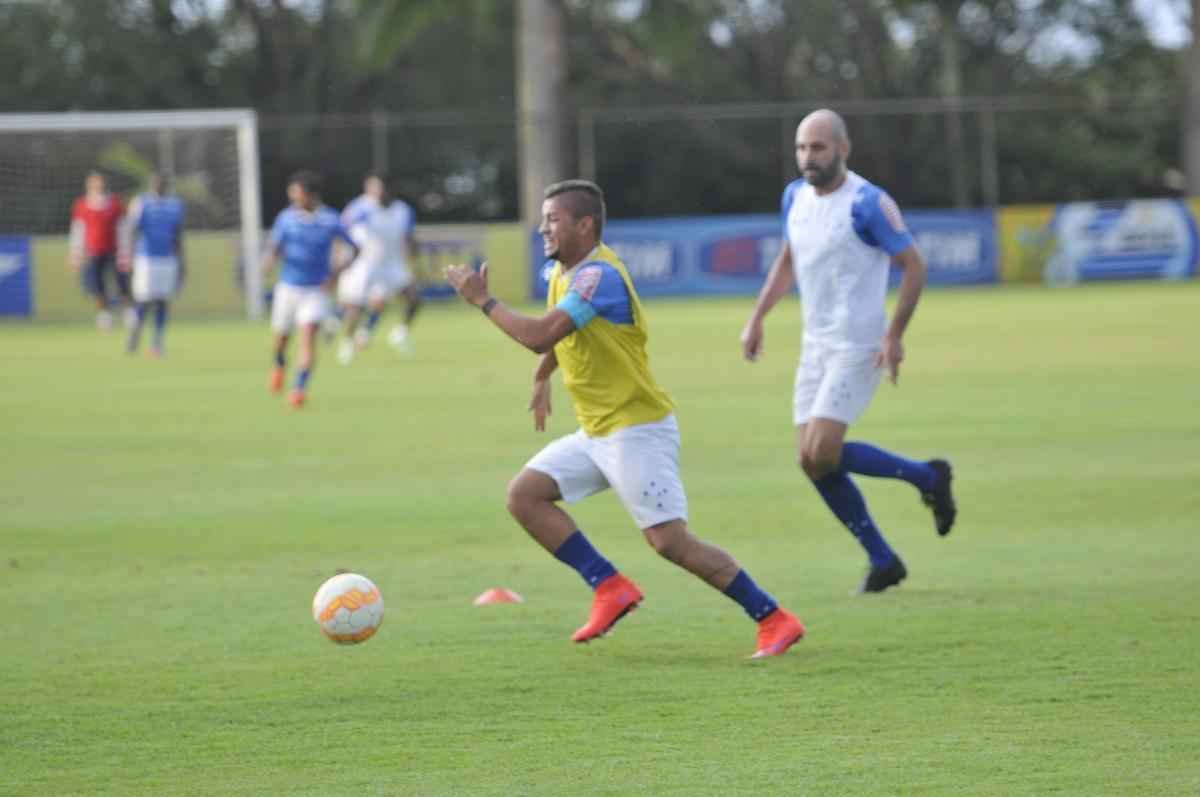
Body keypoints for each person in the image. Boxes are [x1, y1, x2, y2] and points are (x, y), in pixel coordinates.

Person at [445, 179, 805, 659]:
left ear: (585, 224)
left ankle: (774, 618)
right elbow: (563, 335)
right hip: (598, 430)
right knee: (525, 495)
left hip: (636, 429)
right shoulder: (563, 272)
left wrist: (484, 301)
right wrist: (543, 374)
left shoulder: (598, 276)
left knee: (670, 543)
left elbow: (541, 332)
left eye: (553, 219)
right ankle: (609, 587)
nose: (543, 228)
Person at [740, 109, 957, 594]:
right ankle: (888, 551)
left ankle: (926, 479)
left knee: (822, 450)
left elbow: (913, 264)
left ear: (842, 148)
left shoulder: (867, 203)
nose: (807, 158)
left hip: (858, 343)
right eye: (801, 148)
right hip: (814, 345)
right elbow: (789, 258)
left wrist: (894, 333)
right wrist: (758, 317)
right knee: (809, 460)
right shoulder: (793, 196)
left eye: (817, 147)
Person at [261, 171, 358, 409]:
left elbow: (355, 248)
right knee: (281, 339)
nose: (293, 197)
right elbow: (275, 246)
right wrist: (268, 262)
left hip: (315, 290)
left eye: (297, 193)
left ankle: (298, 389)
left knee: (307, 337)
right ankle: (279, 365)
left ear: (311, 195)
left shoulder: (330, 219)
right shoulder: (286, 219)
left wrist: (336, 273)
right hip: (288, 288)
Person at [336, 178, 420, 364]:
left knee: (413, 298)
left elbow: (409, 237)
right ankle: (348, 341)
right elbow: (342, 229)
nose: (374, 193)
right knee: (355, 307)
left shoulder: (402, 210)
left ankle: (399, 334)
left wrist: (414, 260)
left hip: (392, 263)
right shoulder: (361, 208)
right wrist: (343, 256)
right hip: (366, 263)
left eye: (378, 189)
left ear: (388, 190)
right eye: (370, 189)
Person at [120, 173, 185, 357]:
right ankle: (135, 330)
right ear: (150, 184)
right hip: (146, 259)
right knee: (143, 300)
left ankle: (157, 342)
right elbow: (131, 230)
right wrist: (129, 256)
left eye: (162, 182)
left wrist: (181, 263)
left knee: (162, 301)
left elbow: (178, 236)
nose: (159, 185)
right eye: (156, 182)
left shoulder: (175, 205)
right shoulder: (141, 203)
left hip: (167, 259)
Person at [70, 171, 131, 330]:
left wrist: (125, 251)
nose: (98, 186)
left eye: (100, 182)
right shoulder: (81, 204)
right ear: (89, 185)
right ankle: (104, 315)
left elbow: (123, 227)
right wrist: (76, 254)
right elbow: (78, 231)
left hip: (114, 251)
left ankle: (128, 313)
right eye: (94, 183)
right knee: (98, 286)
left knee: (122, 282)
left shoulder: (115, 203)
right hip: (94, 252)